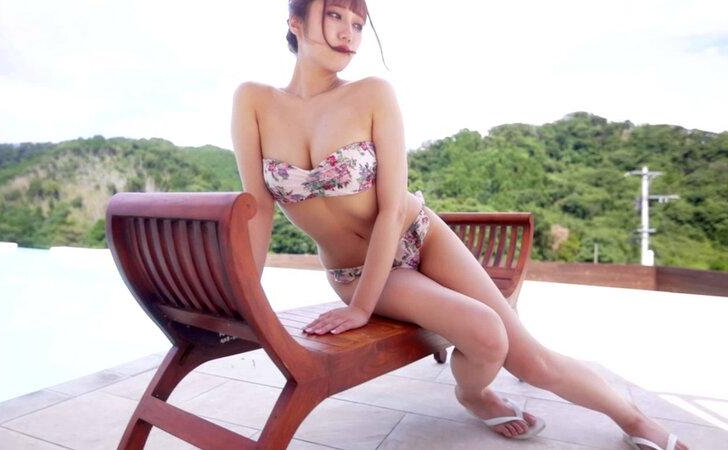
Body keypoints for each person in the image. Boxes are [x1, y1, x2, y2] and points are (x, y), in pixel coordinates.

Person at [231, 1, 686, 448]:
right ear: (295, 22)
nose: (349, 32)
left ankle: (634, 420)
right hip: (358, 271)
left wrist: (362, 311)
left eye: (358, 22)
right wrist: (245, 303)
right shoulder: (254, 100)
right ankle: (474, 394)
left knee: (531, 359)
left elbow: (393, 208)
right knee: (487, 333)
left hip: (419, 233)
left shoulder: (372, 93)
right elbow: (259, 212)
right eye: (334, 15)